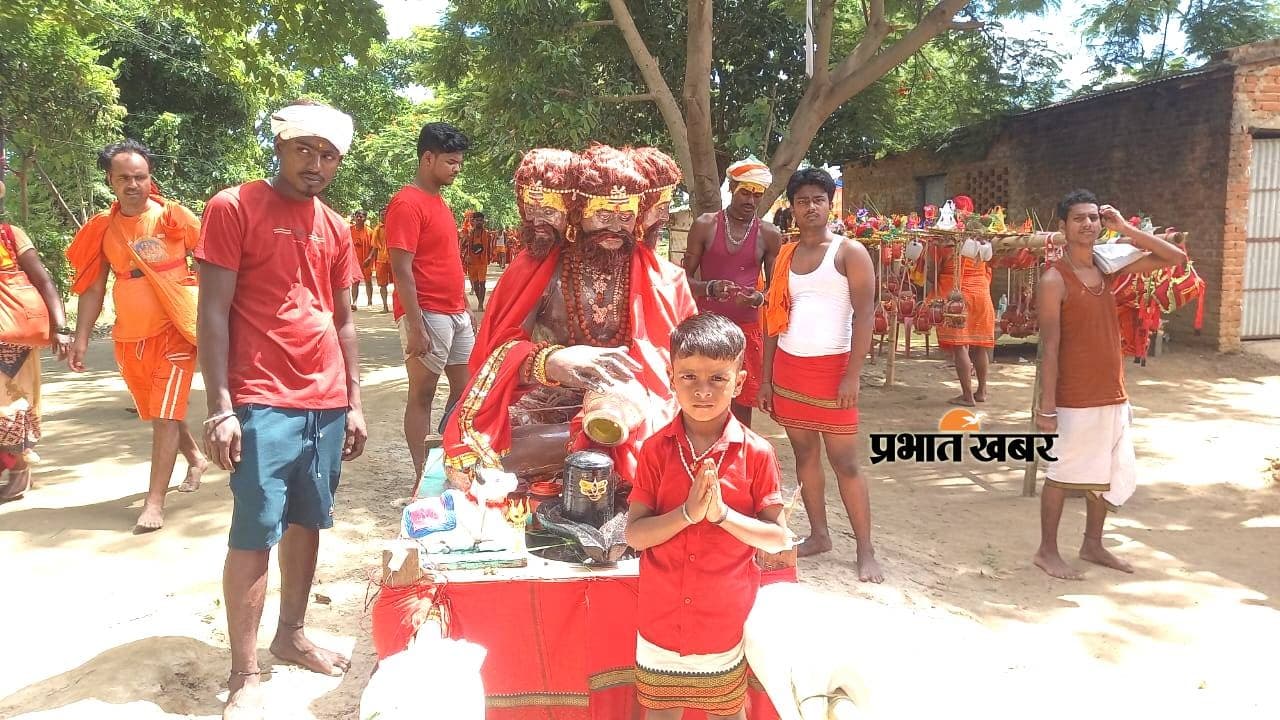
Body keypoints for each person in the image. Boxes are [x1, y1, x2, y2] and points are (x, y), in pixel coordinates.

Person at [197, 101, 366, 720]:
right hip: (260, 396)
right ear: (281, 147)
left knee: (307, 520)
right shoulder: (233, 207)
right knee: (255, 528)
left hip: (325, 400)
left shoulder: (336, 226)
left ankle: (291, 634)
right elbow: (213, 312)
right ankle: (244, 672)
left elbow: (342, 320)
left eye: (328, 155)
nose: (315, 164)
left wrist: (353, 401)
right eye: (305, 150)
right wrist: (220, 407)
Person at [443, 144, 696, 488]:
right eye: (603, 216)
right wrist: (552, 361)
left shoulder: (664, 279)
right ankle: (595, 442)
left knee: (664, 439)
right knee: (477, 457)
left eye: (625, 217)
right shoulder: (542, 271)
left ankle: (604, 433)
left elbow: (685, 366)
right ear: (577, 215)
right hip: (548, 398)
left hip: (636, 398)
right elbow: (496, 349)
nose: (615, 228)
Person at [626, 312, 789, 719]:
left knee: (725, 714)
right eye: (689, 378)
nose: (703, 391)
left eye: (718, 378)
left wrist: (721, 516)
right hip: (660, 621)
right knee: (661, 714)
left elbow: (777, 539)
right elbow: (635, 536)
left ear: (740, 379)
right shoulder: (655, 450)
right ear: (670, 377)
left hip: (723, 622)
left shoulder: (756, 453)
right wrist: (686, 513)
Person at [1033, 190, 1186, 580]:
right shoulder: (1054, 279)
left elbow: (1176, 259)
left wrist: (1125, 227)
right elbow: (1049, 348)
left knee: (1106, 471)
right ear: (1063, 228)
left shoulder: (1107, 266)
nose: (1088, 224)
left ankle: (1093, 543)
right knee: (1062, 473)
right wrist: (1046, 409)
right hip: (1074, 397)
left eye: (1093, 218)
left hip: (1112, 390)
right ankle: (1046, 551)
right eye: (1078, 219)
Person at [65, 139, 208, 531]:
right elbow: (93, 288)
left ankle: (153, 503)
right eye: (124, 178)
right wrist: (81, 338)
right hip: (130, 337)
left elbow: (217, 261)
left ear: (151, 178)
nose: (133, 184)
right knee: (159, 412)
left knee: (165, 415)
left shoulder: (173, 218)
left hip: (176, 332)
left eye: (140, 177)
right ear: (110, 180)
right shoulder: (102, 229)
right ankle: (195, 458)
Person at [758, 167, 881, 582]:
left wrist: (852, 375)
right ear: (791, 208)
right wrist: (765, 378)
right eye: (802, 200)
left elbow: (866, 314)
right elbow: (773, 317)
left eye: (819, 199)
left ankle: (866, 550)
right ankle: (819, 534)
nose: (811, 207)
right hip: (791, 370)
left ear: (830, 205)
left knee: (846, 463)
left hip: (834, 372)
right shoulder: (787, 255)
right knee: (805, 455)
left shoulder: (849, 252)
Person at [386, 121, 474, 481]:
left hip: (455, 312)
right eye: (451, 162)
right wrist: (416, 325)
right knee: (422, 394)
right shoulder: (406, 203)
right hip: (428, 314)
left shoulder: (439, 202)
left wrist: (465, 303)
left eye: (459, 162)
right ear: (428, 158)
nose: (457, 169)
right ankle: (424, 474)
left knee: (467, 389)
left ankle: (445, 458)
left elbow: (447, 258)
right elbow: (401, 269)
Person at [683, 159, 782, 425]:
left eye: (757, 195)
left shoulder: (769, 234)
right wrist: (710, 288)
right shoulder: (706, 225)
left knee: (740, 410)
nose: (751, 200)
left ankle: (737, 463)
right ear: (732, 188)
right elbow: (682, 279)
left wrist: (758, 298)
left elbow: (777, 291)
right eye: (745, 192)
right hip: (706, 330)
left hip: (745, 332)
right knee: (702, 402)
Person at [0, 181, 71, 503]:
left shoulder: (11, 236)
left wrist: (61, 327)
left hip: (12, 337)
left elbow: (42, 278)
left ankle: (18, 473)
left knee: (9, 408)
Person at [932, 195, 995, 406]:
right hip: (982, 293)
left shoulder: (946, 239)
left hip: (957, 295)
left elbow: (935, 267)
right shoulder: (981, 238)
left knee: (960, 346)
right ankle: (982, 391)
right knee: (980, 346)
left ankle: (967, 396)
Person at [464, 211, 491, 310]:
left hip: (482, 262)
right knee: (475, 285)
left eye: (481, 220)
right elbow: (464, 247)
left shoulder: (486, 234)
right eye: (477, 220)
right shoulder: (470, 234)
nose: (479, 222)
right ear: (473, 221)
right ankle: (479, 300)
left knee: (482, 283)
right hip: (472, 262)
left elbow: (488, 247)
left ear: (483, 222)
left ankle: (480, 304)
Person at [349, 209, 375, 310]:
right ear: (354, 217)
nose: (359, 218)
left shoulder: (370, 231)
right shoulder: (349, 230)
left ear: (365, 218)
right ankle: (354, 302)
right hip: (353, 260)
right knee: (355, 281)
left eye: (362, 216)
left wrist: (369, 258)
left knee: (368, 281)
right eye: (357, 216)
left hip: (366, 260)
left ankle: (369, 301)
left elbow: (374, 246)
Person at [368, 208, 392, 313]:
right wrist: (369, 258)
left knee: (399, 284)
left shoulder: (395, 227)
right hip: (381, 260)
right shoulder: (377, 229)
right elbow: (374, 246)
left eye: (385, 214)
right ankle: (385, 306)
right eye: (382, 215)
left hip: (394, 260)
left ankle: (399, 307)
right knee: (382, 285)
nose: (383, 217)